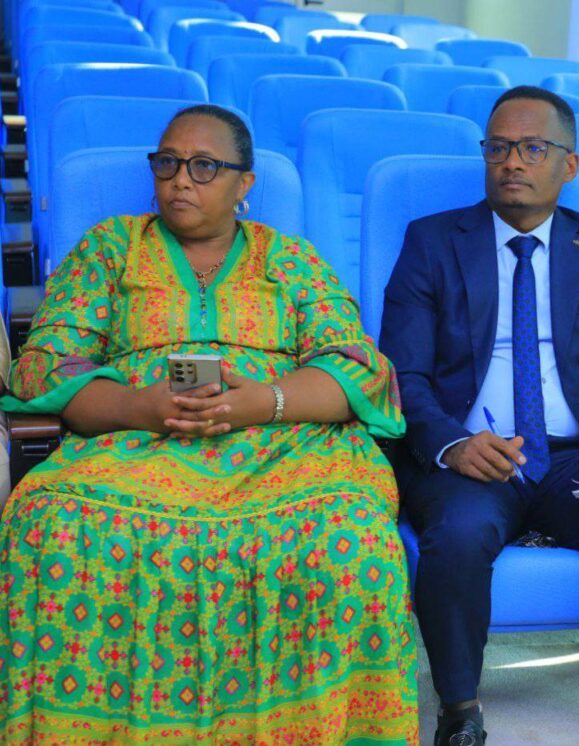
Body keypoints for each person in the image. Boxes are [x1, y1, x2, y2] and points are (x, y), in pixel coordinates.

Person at [0, 105, 419, 744]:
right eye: (167, 163)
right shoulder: (111, 248)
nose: (179, 180)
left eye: (203, 167)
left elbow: (358, 367)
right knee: (46, 524)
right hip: (134, 445)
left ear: (244, 183)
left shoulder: (289, 259)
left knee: (355, 537)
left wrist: (266, 402)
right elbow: (46, 363)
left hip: (284, 446)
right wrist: (142, 407)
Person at [380, 85, 579, 746]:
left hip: (578, 452)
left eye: (531, 148)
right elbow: (403, 374)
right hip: (472, 449)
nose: (512, 162)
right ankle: (459, 710)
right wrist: (452, 444)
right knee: (457, 536)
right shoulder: (432, 242)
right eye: (498, 148)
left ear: (568, 165)